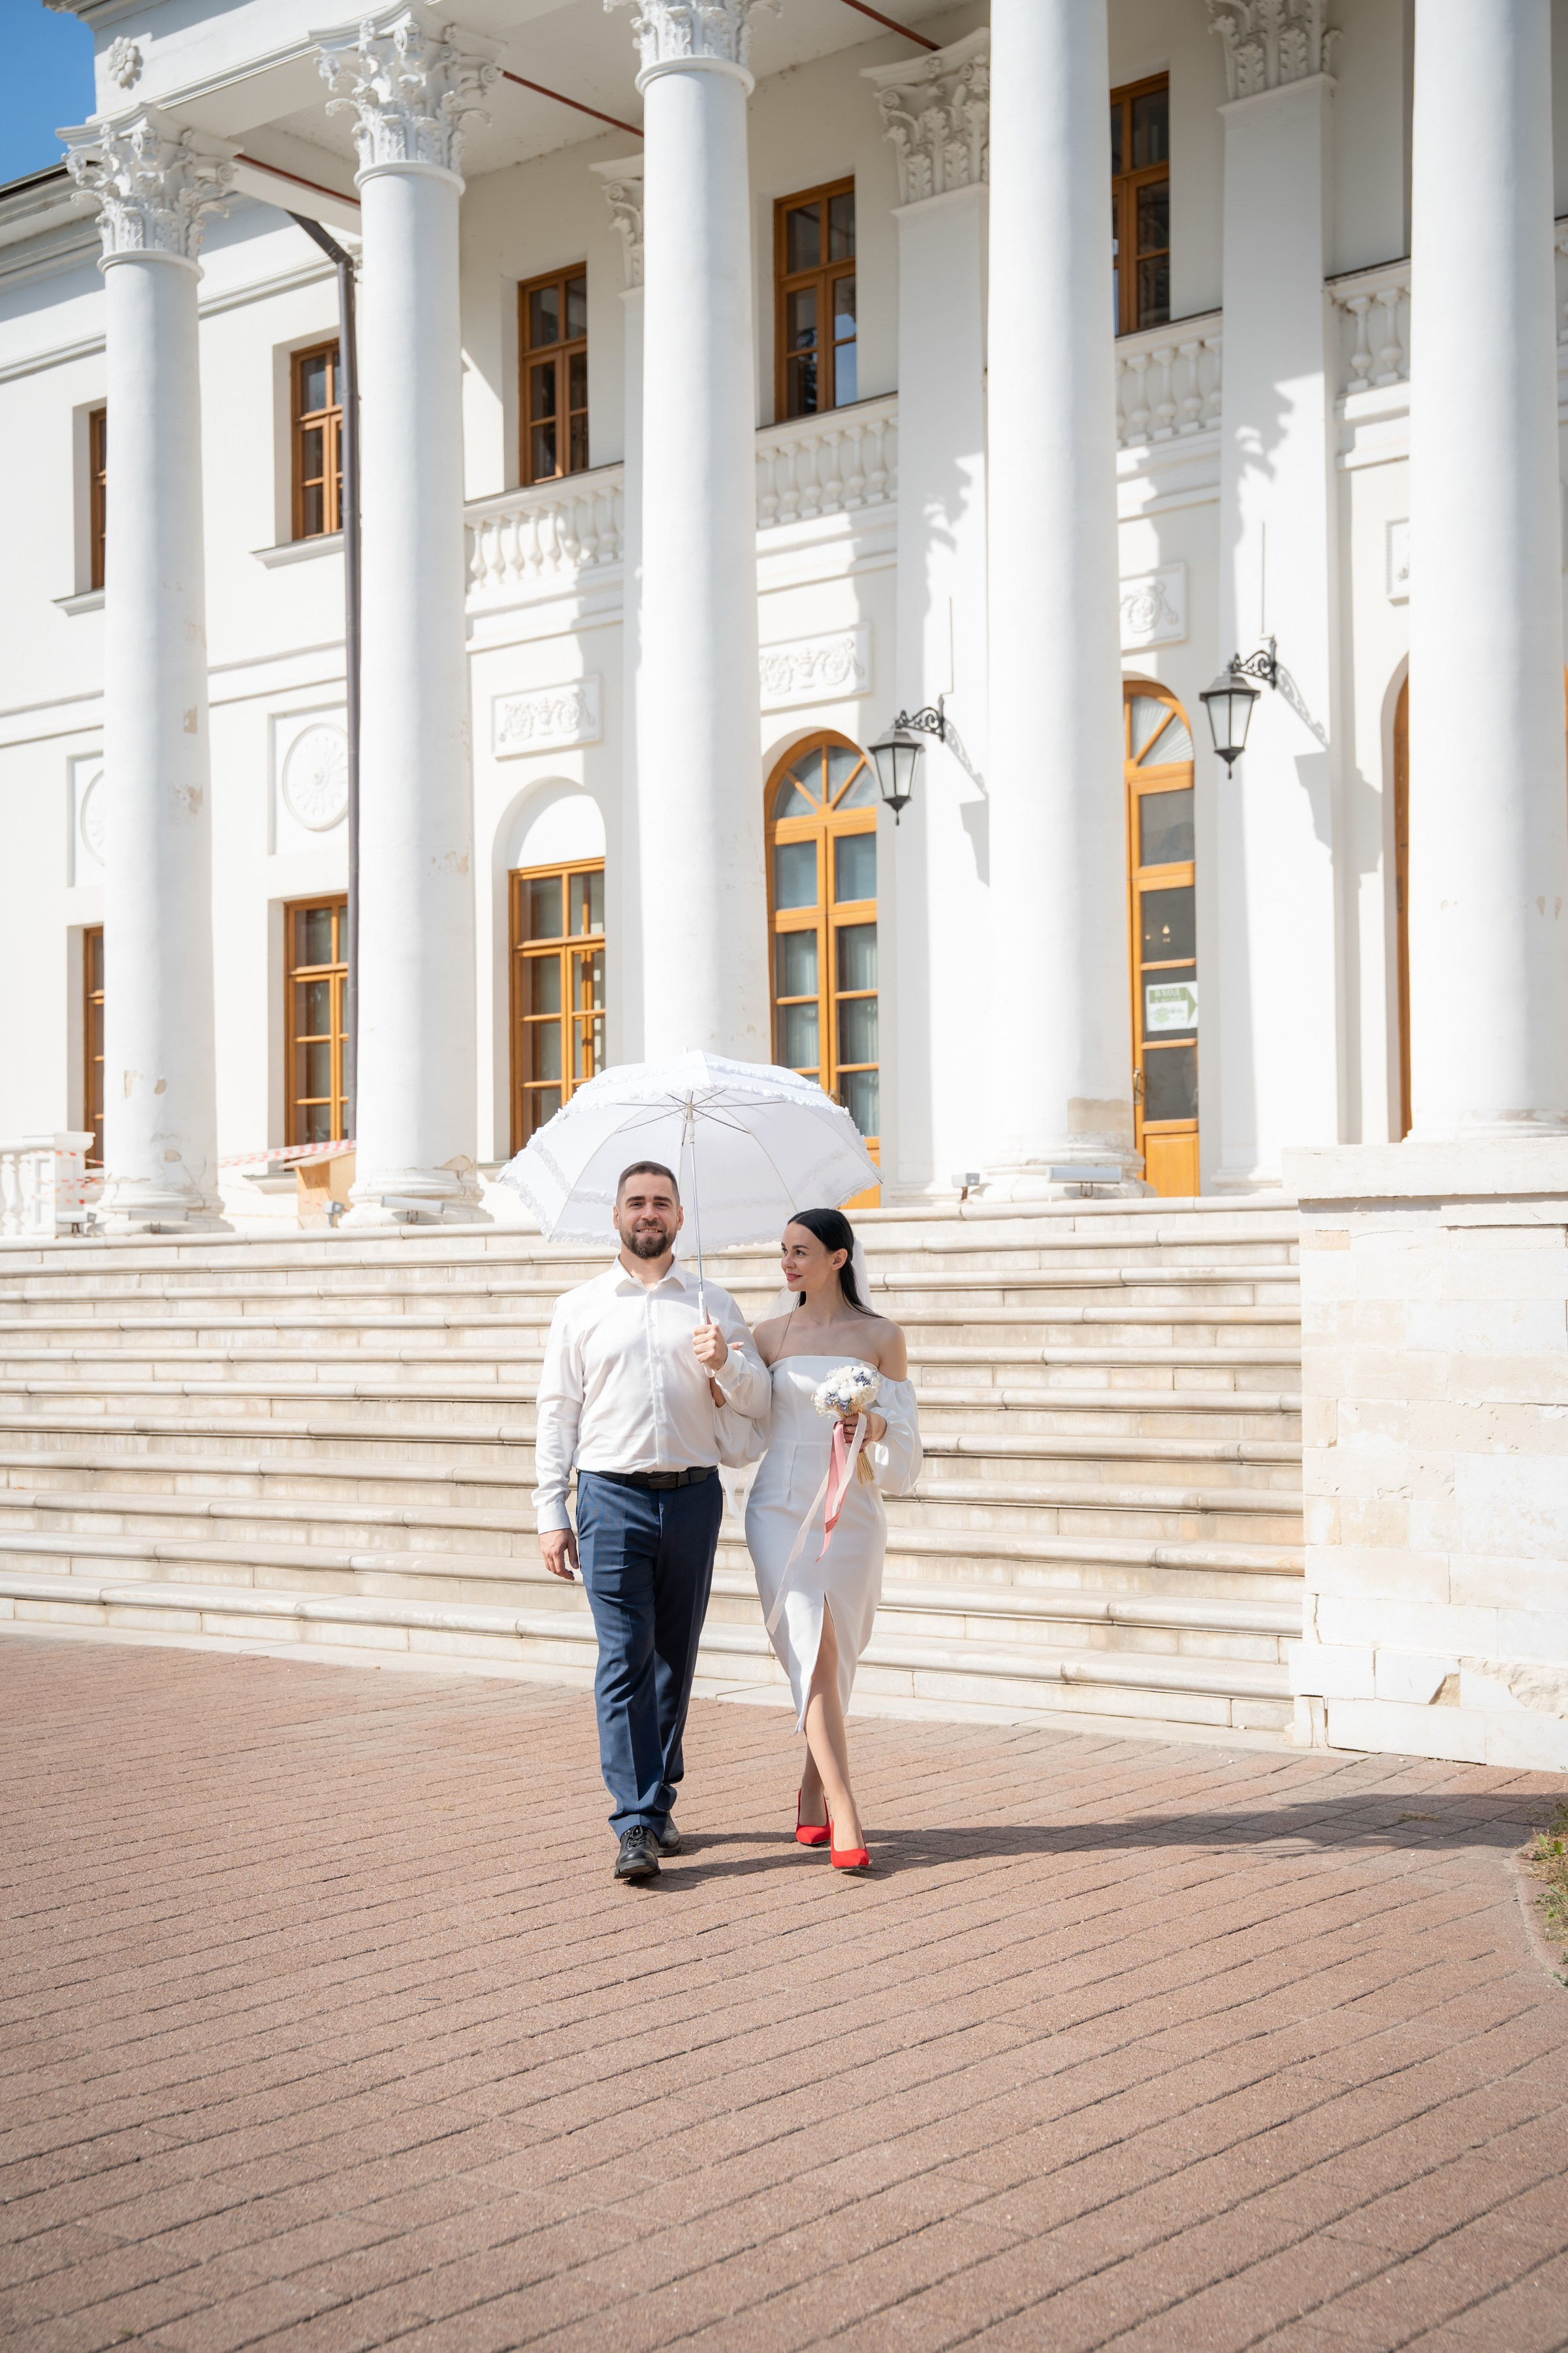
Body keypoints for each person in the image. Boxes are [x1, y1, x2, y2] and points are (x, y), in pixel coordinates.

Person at [534, 1160, 769, 1883]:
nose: (648, 1212)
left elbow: (758, 1401)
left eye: (661, 1202)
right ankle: (634, 1819)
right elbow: (557, 1410)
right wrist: (551, 1509)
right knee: (623, 1659)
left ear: (678, 1217)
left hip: (694, 1496)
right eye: (636, 1202)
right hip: (609, 1497)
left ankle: (658, 1796)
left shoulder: (712, 1302)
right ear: (615, 1216)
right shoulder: (579, 1306)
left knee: (675, 1658)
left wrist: (725, 1361)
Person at [747, 1207, 921, 1873]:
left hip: (852, 1511)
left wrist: (873, 1426)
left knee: (836, 1651)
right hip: (777, 1510)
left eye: (801, 1250)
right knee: (809, 1641)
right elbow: (742, 1419)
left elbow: (906, 1436)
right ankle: (845, 1806)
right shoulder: (766, 1334)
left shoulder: (882, 1337)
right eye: (783, 1250)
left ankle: (812, 1786)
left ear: (838, 1258)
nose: (788, 1262)